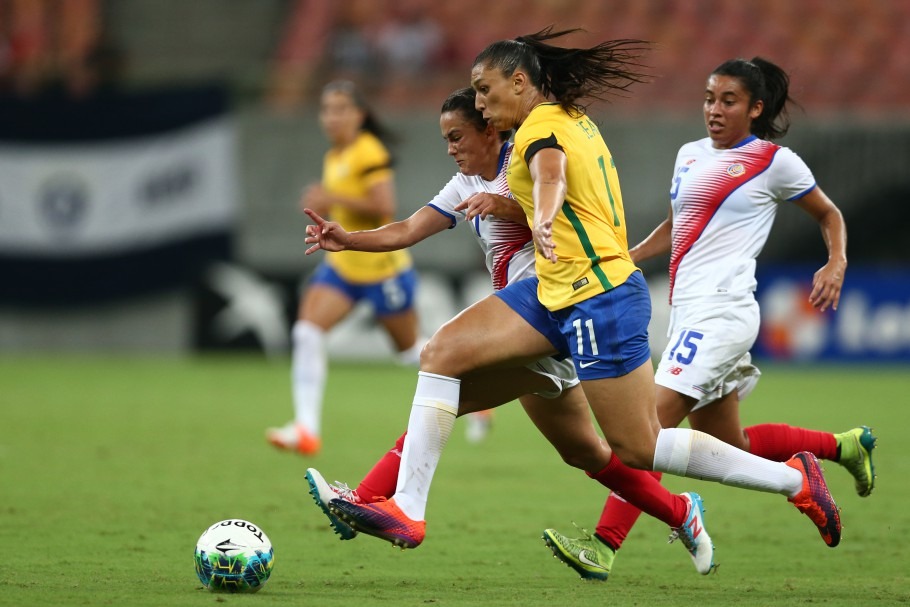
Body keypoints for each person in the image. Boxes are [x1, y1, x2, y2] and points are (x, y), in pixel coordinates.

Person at [322, 28, 841, 561]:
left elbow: (551, 173)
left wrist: (542, 217)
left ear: (519, 82)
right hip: (554, 292)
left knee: (640, 447)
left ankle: (792, 481)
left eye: (484, 89)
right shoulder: (568, 118)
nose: (479, 103)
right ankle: (406, 507)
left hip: (598, 296)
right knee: (441, 355)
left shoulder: (538, 129)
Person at [303, 87, 718, 576]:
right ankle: (681, 511)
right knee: (587, 453)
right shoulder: (462, 184)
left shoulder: (524, 164)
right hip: (525, 327)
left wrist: (508, 209)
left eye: (458, 136)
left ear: (490, 129)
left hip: (553, 315)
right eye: (445, 140)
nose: (452, 148)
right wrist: (348, 239)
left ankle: (373, 499)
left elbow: (569, 209)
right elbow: (407, 229)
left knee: (444, 382)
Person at [540, 56, 877, 579]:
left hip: (722, 313)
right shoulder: (689, 155)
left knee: (643, 436)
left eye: (728, 101)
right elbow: (681, 223)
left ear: (755, 108)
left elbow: (828, 213)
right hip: (688, 312)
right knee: (728, 445)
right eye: (708, 98)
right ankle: (839, 446)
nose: (713, 111)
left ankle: (604, 545)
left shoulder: (773, 161)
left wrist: (836, 261)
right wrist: (626, 257)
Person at [266, 80, 425, 456]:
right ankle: (306, 429)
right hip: (343, 267)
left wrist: (330, 198)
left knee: (410, 353)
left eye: (340, 109)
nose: (332, 117)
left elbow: (384, 206)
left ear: (360, 115)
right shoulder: (335, 155)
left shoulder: (368, 151)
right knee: (306, 332)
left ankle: (476, 382)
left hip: (382, 270)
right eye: (326, 109)